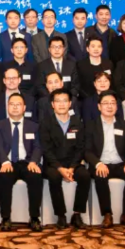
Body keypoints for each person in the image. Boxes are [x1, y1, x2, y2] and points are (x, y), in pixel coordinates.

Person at [85, 91, 125, 228]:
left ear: (117, 106)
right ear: (99, 106)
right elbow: (87, 151)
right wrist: (98, 163)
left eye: (112, 103)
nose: (109, 106)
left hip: (120, 164)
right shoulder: (91, 125)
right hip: (100, 164)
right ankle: (107, 214)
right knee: (100, 175)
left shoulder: (124, 125)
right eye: (105, 103)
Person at [0, 93, 44, 232]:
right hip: (8, 162)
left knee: (36, 177)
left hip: (27, 162)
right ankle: (5, 218)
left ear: (24, 108)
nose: (15, 107)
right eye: (12, 104)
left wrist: (34, 162)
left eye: (18, 104)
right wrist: (4, 162)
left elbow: (38, 146)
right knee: (4, 178)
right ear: (7, 107)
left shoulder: (34, 126)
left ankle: (34, 218)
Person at [39, 89, 90, 229]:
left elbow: (80, 148)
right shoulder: (46, 123)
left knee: (85, 176)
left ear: (70, 103)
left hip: (73, 163)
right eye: (58, 101)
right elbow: (46, 149)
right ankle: (60, 215)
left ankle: (77, 214)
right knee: (54, 177)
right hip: (53, 164)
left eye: (64, 101)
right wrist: (60, 168)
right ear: (52, 104)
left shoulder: (77, 123)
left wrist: (72, 168)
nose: (61, 104)